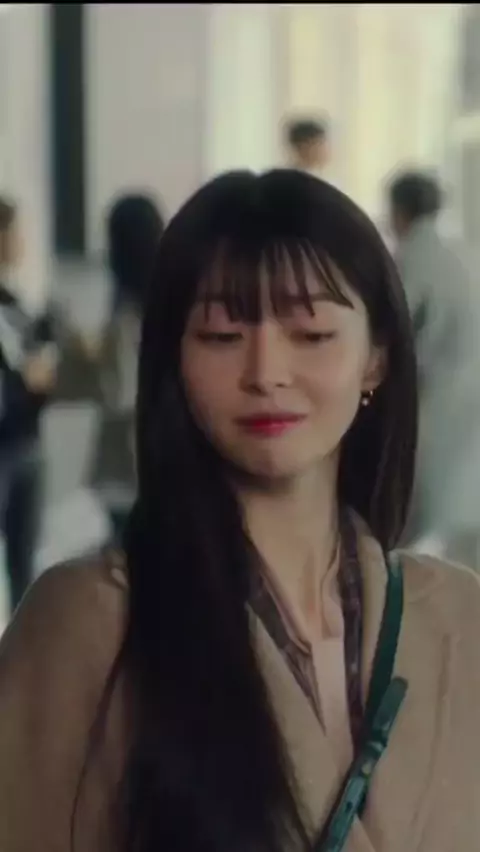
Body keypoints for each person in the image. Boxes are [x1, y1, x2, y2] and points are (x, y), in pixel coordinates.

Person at [0, 170, 479, 852]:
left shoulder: (458, 617)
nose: (266, 373)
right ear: (174, 359)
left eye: (312, 333)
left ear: (376, 358)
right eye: (223, 335)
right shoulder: (88, 622)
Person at [388, 170, 480, 564]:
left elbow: (394, 329)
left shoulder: (412, 259)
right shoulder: (466, 254)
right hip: (468, 396)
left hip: (437, 398)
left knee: (418, 506)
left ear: (398, 211)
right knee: (462, 507)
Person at [88, 193, 165, 543]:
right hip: (168, 455)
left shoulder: (125, 311)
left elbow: (119, 392)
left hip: (129, 463)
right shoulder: (173, 300)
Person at [0, 198, 57, 612]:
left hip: (27, 441)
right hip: (7, 445)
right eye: (13, 232)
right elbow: (34, 374)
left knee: (24, 563)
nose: (20, 242)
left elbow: (41, 377)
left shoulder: (15, 305)